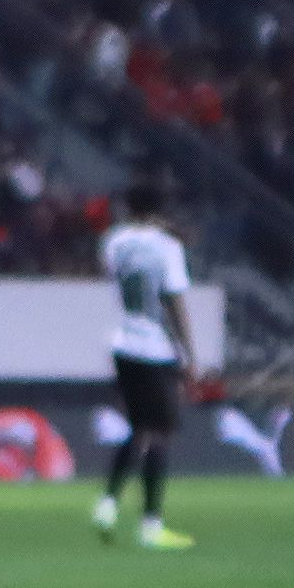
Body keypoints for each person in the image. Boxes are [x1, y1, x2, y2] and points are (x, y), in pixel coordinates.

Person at [92, 182, 200, 551]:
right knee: (159, 433)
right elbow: (175, 300)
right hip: (152, 345)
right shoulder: (168, 247)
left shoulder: (113, 242)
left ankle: (108, 504)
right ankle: (151, 524)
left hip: (122, 341)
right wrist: (189, 354)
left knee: (138, 428)